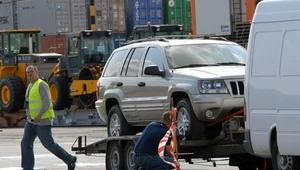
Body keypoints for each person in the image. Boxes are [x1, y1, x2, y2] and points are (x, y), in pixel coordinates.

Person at [21, 65, 77, 170]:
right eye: (28, 72)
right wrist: (29, 116)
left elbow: (46, 102)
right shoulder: (30, 86)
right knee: (25, 143)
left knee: (48, 144)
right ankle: (27, 168)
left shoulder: (41, 85)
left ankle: (69, 159)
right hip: (31, 122)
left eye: (31, 71)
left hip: (42, 121)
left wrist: (39, 115)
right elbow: (29, 103)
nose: (29, 74)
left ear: (37, 72)